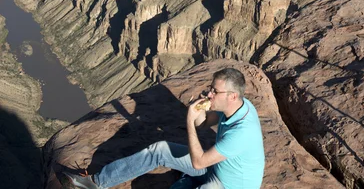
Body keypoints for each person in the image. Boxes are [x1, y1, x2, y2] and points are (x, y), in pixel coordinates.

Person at [65, 67, 265, 189]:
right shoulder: (234, 107)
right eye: (210, 88)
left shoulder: (241, 132)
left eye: (215, 91)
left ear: (232, 96)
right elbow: (204, 123)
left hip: (228, 185)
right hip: (215, 168)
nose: (209, 93)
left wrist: (189, 120)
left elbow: (198, 162)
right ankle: (97, 183)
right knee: (159, 149)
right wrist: (197, 112)